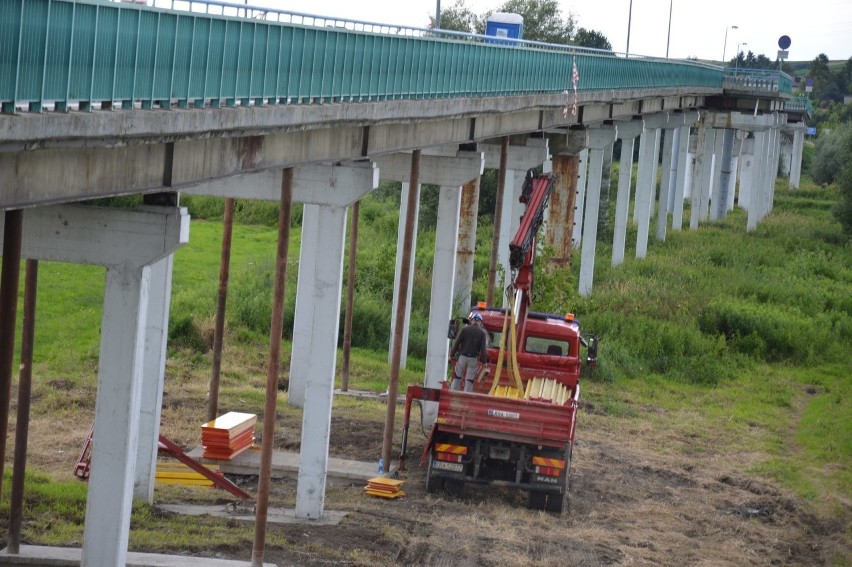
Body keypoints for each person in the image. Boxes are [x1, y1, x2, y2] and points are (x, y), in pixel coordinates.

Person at [449, 313, 489, 392]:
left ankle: (453, 393)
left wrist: (451, 355)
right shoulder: (482, 333)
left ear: (471, 321)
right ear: (480, 323)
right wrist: (484, 362)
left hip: (462, 357)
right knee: (469, 380)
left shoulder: (465, 329)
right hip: (473, 359)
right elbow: (483, 349)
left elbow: (457, 343)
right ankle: (466, 396)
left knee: (457, 377)